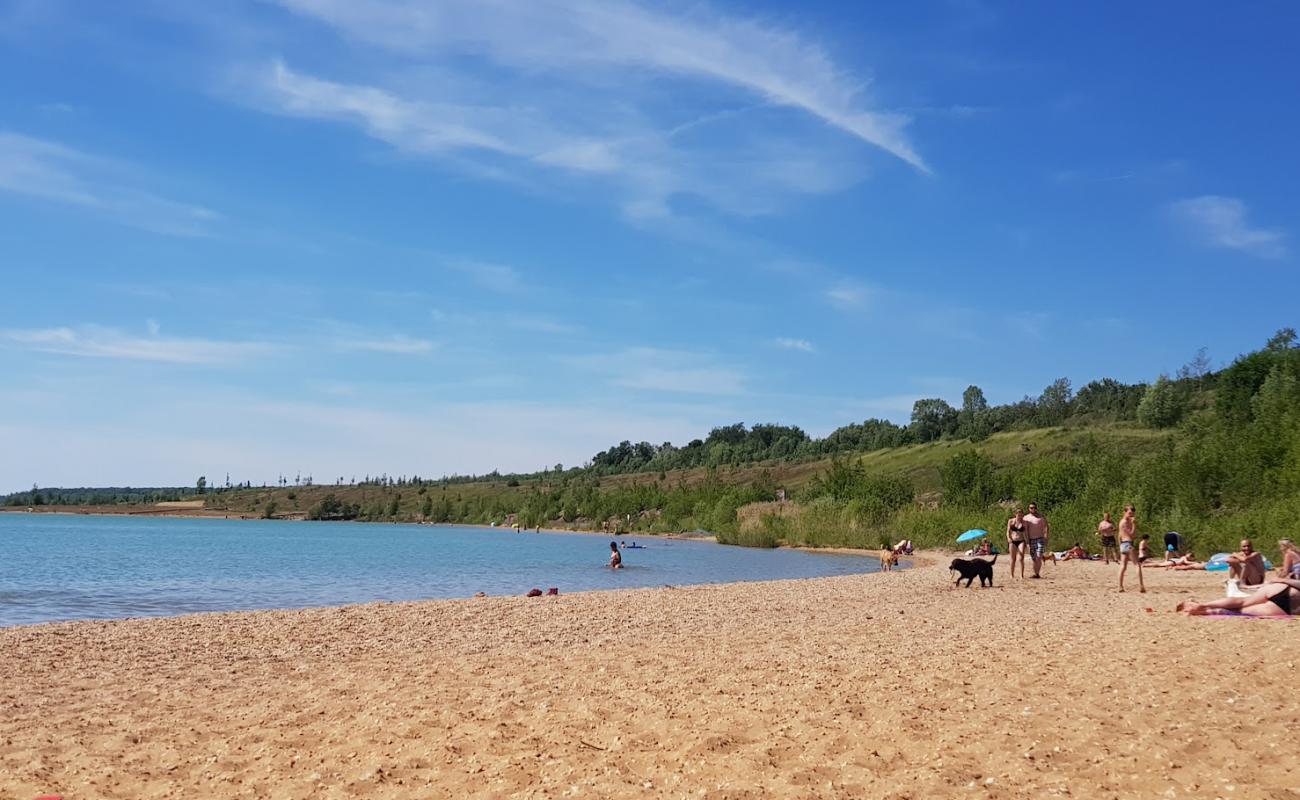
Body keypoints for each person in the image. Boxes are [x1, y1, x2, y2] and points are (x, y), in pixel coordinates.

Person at [1178, 578, 1300, 616]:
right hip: (1289, 607)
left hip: (1286, 591)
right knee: (1240, 610)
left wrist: (1281, 580)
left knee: (1242, 603)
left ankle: (1203, 605)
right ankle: (1202, 611)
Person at [1117, 504, 1145, 593]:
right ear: (1124, 512)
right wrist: (1134, 525)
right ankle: (1141, 586)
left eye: (1132, 513)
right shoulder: (1125, 523)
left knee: (1123, 566)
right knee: (1137, 565)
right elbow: (1132, 535)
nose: (1131, 515)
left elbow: (1119, 536)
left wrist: (1119, 546)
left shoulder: (1122, 522)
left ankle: (1120, 586)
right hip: (1128, 544)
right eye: (1129, 513)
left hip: (1123, 545)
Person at [1023, 502, 1050, 579]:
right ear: (1029, 509)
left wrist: (1046, 537)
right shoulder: (1026, 518)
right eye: (1031, 508)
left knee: (1039, 556)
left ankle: (1037, 573)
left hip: (1040, 539)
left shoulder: (1041, 517)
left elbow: (1046, 527)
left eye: (1034, 507)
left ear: (1036, 508)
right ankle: (1035, 573)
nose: (1033, 509)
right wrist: (1027, 541)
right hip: (1031, 540)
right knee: (1034, 558)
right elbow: (1025, 530)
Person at [1006, 507, 1028, 579]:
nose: (1020, 516)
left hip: (1021, 540)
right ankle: (1011, 574)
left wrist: (1027, 543)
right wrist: (1009, 538)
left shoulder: (1024, 522)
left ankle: (1021, 575)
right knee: (1013, 558)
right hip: (1013, 540)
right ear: (1015, 514)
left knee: (1021, 557)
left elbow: (1025, 533)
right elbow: (1008, 531)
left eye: (1021, 515)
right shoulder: (1011, 521)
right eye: (1018, 515)